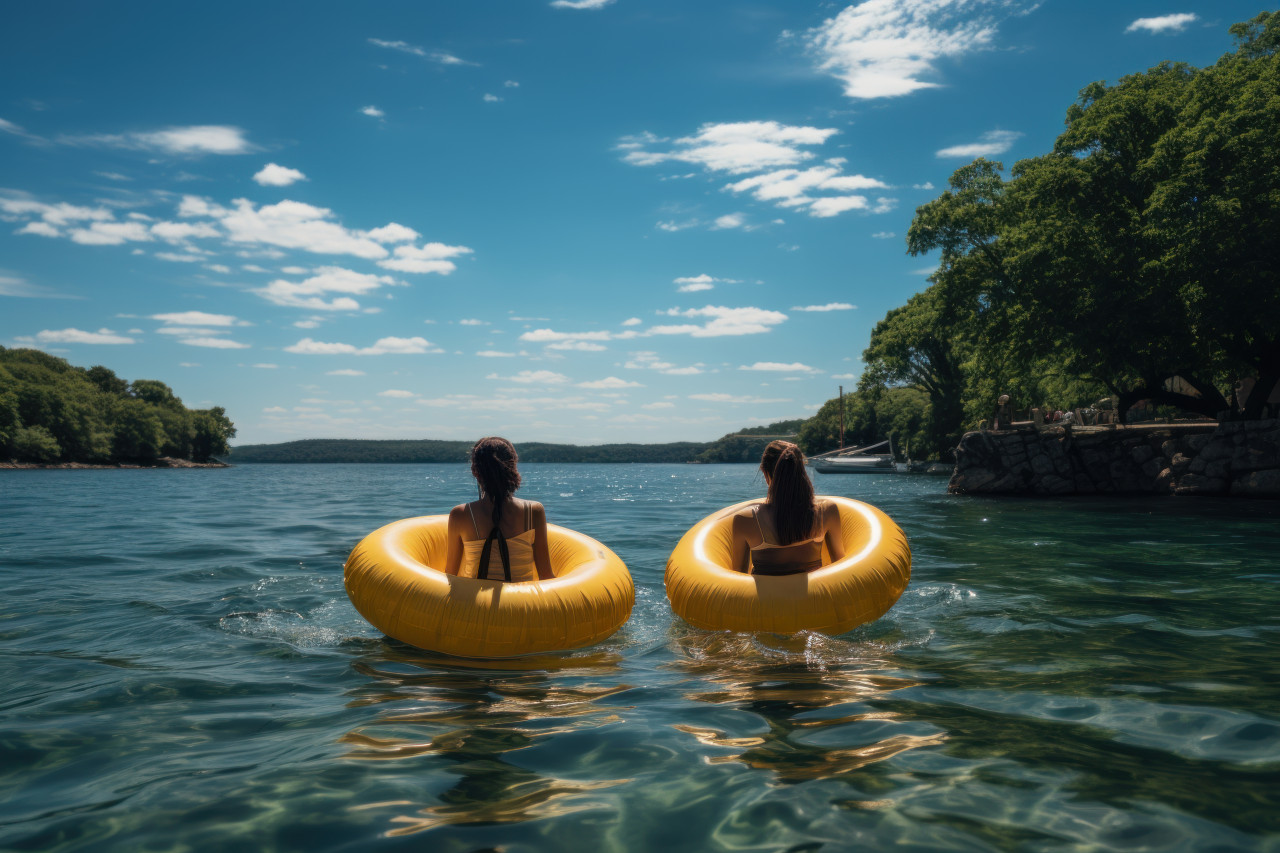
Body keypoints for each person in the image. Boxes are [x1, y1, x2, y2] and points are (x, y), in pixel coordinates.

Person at [444, 436, 554, 582]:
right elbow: (547, 577)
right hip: (521, 603)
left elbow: (450, 576)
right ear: (513, 467)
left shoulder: (460, 515)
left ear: (474, 471)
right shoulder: (534, 511)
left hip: (474, 604)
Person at [730, 440, 845, 575]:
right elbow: (840, 566)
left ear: (765, 474)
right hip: (811, 596)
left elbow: (738, 579)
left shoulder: (745, 520)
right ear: (801, 471)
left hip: (769, 597)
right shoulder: (827, 512)